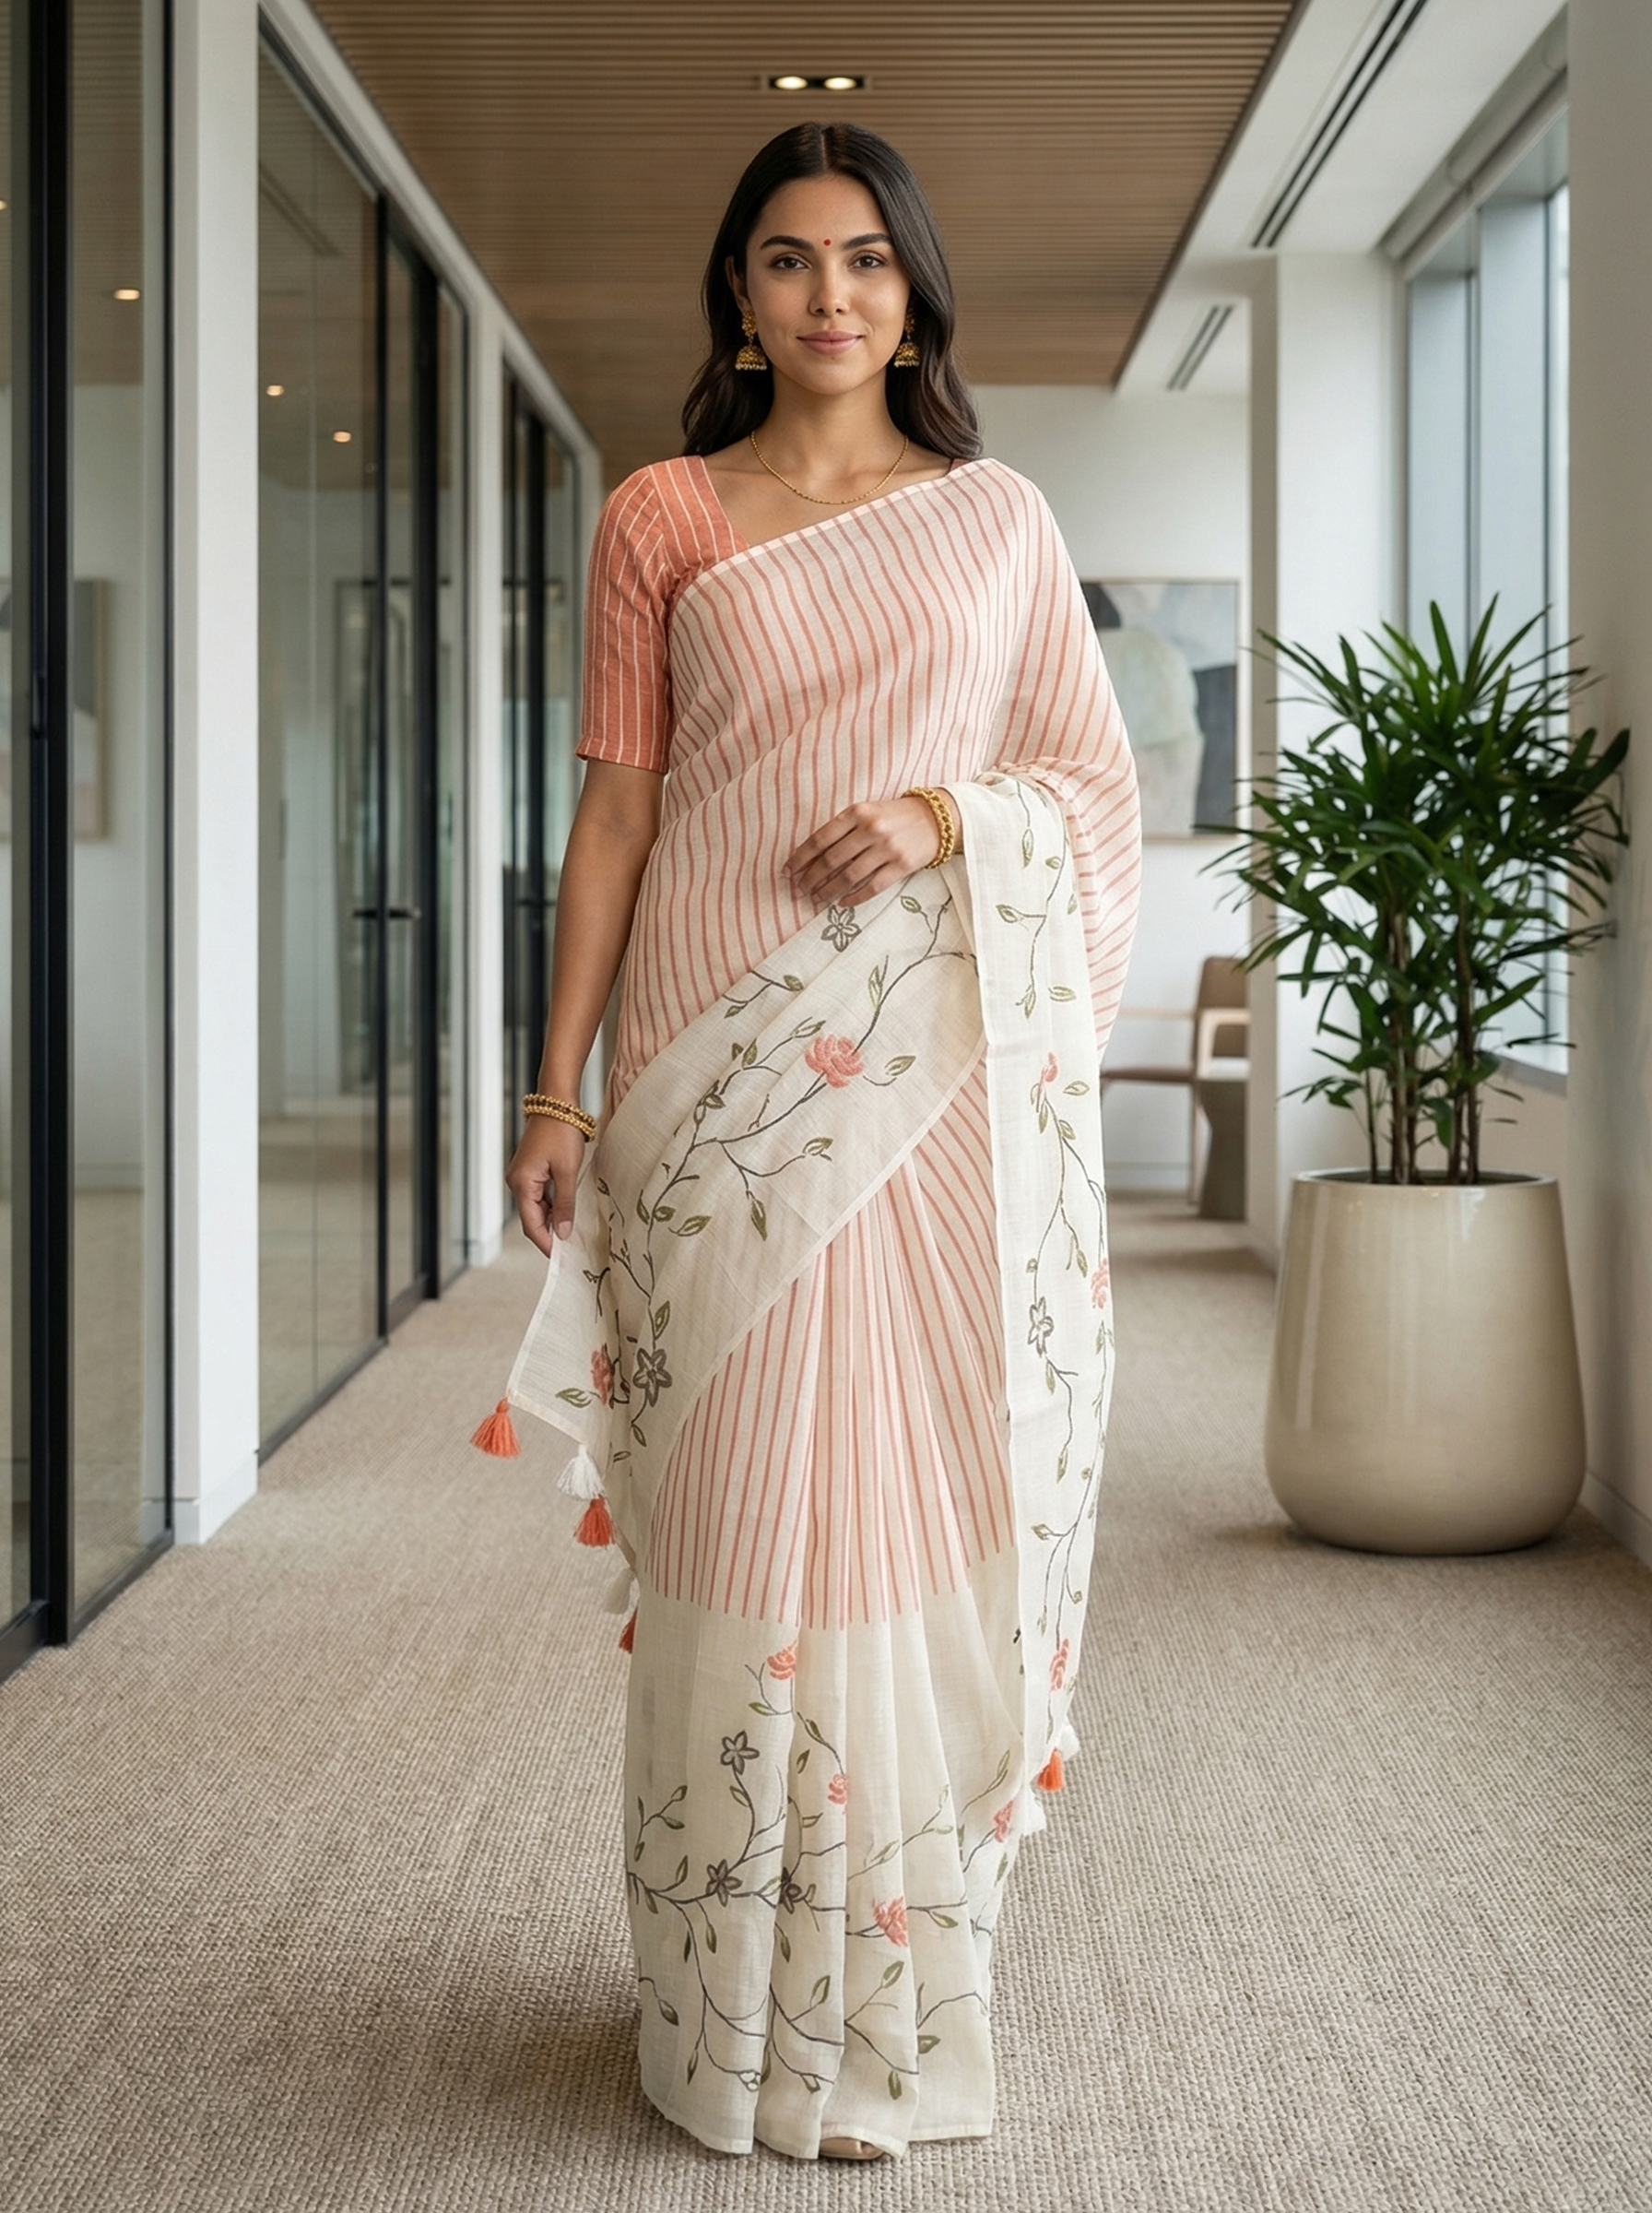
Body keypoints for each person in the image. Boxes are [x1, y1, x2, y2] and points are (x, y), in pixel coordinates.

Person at [486, 119, 1140, 2163]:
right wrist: (556, 1079)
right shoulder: (660, 516)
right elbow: (611, 816)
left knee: (903, 1495)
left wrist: (952, 823)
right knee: (738, 1512)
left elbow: (1081, 786)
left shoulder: (992, 521)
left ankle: (870, 2020)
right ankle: (717, 2012)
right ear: (739, 294)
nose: (830, 295)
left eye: (865, 259)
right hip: (710, 1071)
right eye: (787, 260)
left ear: (916, 290)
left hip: (919, 1079)